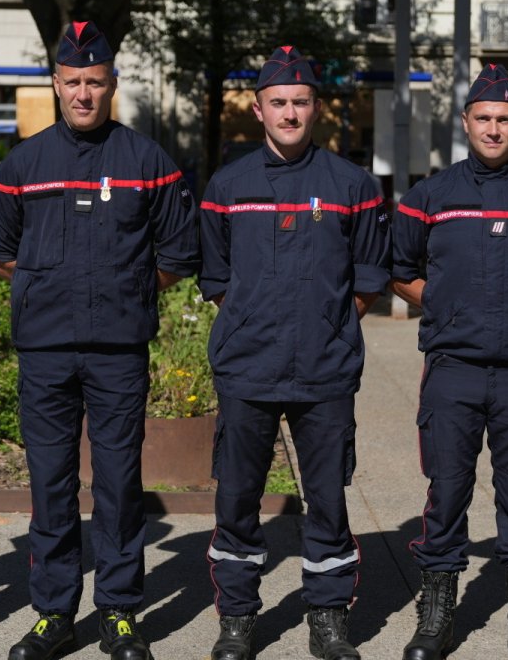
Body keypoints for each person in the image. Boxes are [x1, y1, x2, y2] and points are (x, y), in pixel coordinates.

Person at [0, 20, 200, 660]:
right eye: (73, 81)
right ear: (55, 83)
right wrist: (49, 288)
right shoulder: (23, 164)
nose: (84, 93)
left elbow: (179, 253)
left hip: (118, 352)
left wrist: (126, 289)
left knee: (118, 483)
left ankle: (121, 611)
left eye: (95, 83)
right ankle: (53, 613)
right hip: (46, 351)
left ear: (113, 85)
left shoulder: (146, 162)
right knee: (50, 484)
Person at [199, 46, 391, 660]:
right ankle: (237, 617)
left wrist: (326, 328)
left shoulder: (352, 186)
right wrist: (257, 323)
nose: (289, 112)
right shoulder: (228, 185)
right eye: (278, 102)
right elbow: (217, 281)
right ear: (258, 110)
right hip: (247, 369)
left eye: (300, 102)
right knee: (237, 498)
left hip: (325, 371)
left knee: (328, 499)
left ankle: (328, 616)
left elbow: (367, 283)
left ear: (318, 108)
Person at [391, 64, 508, 660]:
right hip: (453, 370)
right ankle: (437, 615)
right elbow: (401, 271)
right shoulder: (430, 196)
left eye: (504, 119)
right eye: (483, 119)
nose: (494, 129)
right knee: (447, 492)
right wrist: (444, 305)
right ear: (466, 121)